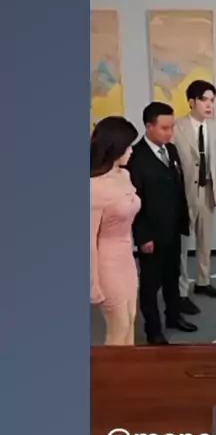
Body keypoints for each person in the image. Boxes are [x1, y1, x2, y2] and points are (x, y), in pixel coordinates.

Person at [127, 102, 197, 345]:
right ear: (149, 127)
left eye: (172, 127)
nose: (170, 133)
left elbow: (178, 188)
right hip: (152, 234)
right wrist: (142, 236)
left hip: (173, 229)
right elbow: (133, 202)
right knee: (150, 284)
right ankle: (153, 329)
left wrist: (183, 221)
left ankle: (173, 316)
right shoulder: (135, 157)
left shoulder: (171, 151)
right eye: (165, 128)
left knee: (172, 277)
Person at [175, 80, 216, 313]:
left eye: (212, 100)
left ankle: (203, 282)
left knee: (206, 241)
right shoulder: (177, 128)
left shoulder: (215, 128)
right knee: (183, 246)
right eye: (204, 99)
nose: (209, 105)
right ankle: (181, 291)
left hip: (208, 191)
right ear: (191, 101)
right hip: (184, 193)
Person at [90, 116, 141, 346]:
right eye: (128, 146)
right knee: (118, 327)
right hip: (106, 263)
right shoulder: (94, 187)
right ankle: (112, 369)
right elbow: (89, 240)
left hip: (127, 258)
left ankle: (129, 368)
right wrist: (93, 283)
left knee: (130, 320)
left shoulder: (124, 175)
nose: (131, 150)